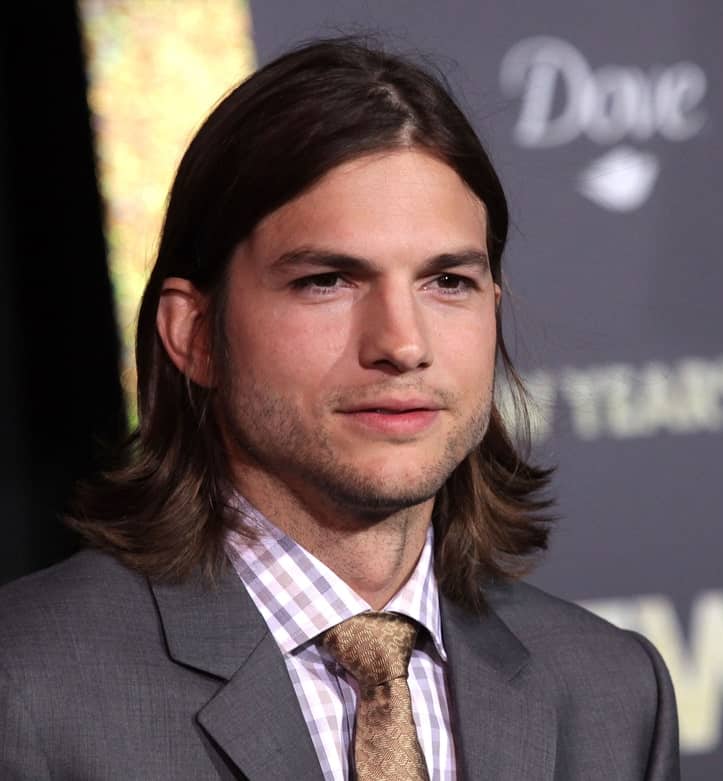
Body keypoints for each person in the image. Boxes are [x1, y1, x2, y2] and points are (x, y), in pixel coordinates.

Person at [0, 37, 679, 780]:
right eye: (328, 280)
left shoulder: (612, 693)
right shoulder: (28, 687)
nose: (401, 343)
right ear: (194, 335)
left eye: (447, 280)